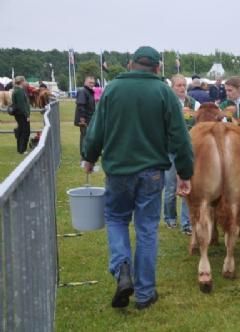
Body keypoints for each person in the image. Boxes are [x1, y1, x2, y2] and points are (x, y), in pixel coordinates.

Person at [82, 46, 194, 310]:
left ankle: (122, 269)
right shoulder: (165, 92)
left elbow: (97, 129)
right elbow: (180, 137)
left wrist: (89, 156)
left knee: (116, 219)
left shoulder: (111, 89)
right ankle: (144, 294)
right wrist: (185, 173)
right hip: (152, 172)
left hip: (118, 171)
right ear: (157, 68)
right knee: (146, 230)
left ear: (131, 64)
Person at [163, 74, 200, 235]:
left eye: (184, 85)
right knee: (171, 187)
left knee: (187, 185)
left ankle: (187, 223)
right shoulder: (166, 102)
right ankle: (170, 218)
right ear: (172, 87)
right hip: (170, 149)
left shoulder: (194, 103)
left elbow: (200, 122)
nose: (182, 88)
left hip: (188, 150)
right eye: (178, 85)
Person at [74, 76, 96, 159]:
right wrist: (82, 119)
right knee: (85, 137)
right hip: (84, 120)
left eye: (93, 83)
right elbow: (81, 105)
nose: (92, 84)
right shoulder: (83, 91)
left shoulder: (89, 92)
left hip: (89, 118)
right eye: (90, 82)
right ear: (85, 82)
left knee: (88, 137)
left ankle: (87, 154)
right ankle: (84, 156)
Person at [11, 76, 31, 154]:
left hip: (20, 114)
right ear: (22, 82)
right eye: (24, 81)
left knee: (21, 130)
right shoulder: (19, 91)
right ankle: (22, 149)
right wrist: (27, 115)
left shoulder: (18, 90)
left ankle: (20, 149)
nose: (25, 82)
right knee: (25, 131)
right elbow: (22, 105)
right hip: (22, 114)